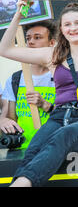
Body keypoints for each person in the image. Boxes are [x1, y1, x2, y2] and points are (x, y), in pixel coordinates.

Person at [0, 0, 78, 187]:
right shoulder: (53, 55)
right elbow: (4, 49)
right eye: (68, 24)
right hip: (58, 117)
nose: (73, 28)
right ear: (61, 30)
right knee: (33, 149)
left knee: (64, 137)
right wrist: (19, 14)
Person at [0, 20, 57, 149]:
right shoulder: (15, 79)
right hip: (22, 149)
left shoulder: (61, 76)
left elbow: (71, 117)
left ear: (52, 43)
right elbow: (9, 116)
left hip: (52, 149)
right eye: (28, 38)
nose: (31, 42)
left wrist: (45, 105)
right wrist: (3, 121)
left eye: (38, 37)